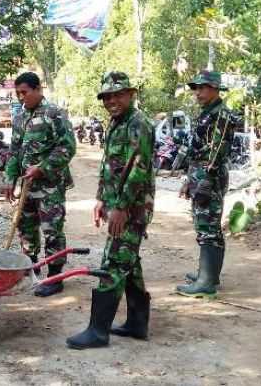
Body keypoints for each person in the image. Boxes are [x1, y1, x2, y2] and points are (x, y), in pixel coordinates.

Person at [66, 71, 155, 349]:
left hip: (132, 208)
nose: (112, 100)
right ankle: (138, 324)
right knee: (130, 263)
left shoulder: (138, 124)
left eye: (118, 94)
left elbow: (138, 171)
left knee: (113, 263)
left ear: (131, 94)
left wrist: (122, 207)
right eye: (107, 96)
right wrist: (102, 199)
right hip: (119, 204)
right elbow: (112, 168)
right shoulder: (117, 123)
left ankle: (98, 331)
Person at [4, 72, 76, 297]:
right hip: (27, 187)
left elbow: (67, 147)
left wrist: (42, 167)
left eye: (24, 92)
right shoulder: (19, 118)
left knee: (52, 229)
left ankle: (55, 277)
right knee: (26, 229)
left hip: (50, 186)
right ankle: (31, 268)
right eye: (17, 93)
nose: (21, 97)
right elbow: (14, 152)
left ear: (38, 89)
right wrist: (10, 179)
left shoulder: (54, 114)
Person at [176, 69, 235, 299]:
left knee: (208, 226)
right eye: (196, 88)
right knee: (206, 224)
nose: (198, 92)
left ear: (215, 89)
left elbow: (218, 149)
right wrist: (188, 180)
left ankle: (206, 282)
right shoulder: (206, 112)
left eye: (203, 88)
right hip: (199, 172)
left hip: (208, 174)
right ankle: (209, 274)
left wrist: (207, 179)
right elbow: (196, 148)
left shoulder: (221, 113)